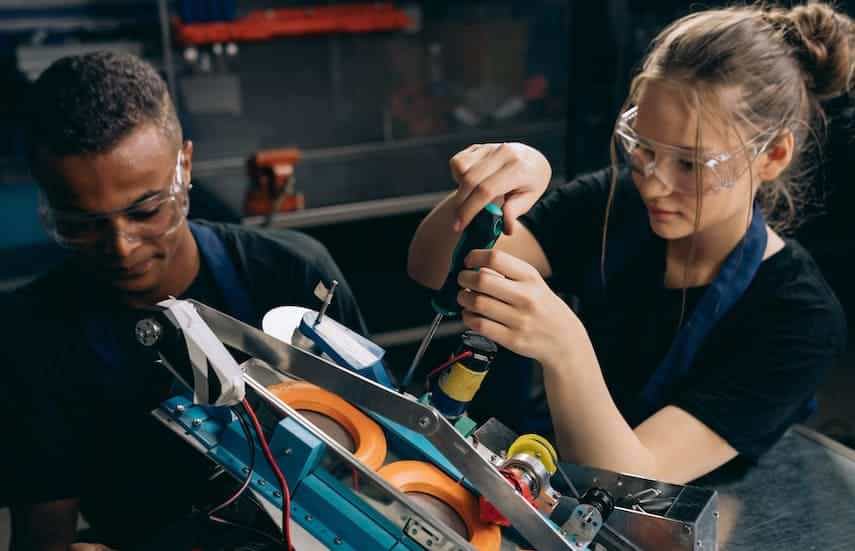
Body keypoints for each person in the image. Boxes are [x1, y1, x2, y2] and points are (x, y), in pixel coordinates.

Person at [408, 3, 851, 485]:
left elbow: (630, 480)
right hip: (546, 473)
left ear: (773, 156)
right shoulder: (615, 203)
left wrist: (565, 346)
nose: (655, 184)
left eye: (689, 166)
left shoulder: (798, 318)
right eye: (645, 149)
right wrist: (493, 187)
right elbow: (434, 272)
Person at [2, 51, 366, 550]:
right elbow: (42, 535)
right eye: (81, 224)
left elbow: (375, 464)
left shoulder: (293, 277)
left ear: (185, 167)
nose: (121, 247)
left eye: (146, 210)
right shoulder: (28, 334)